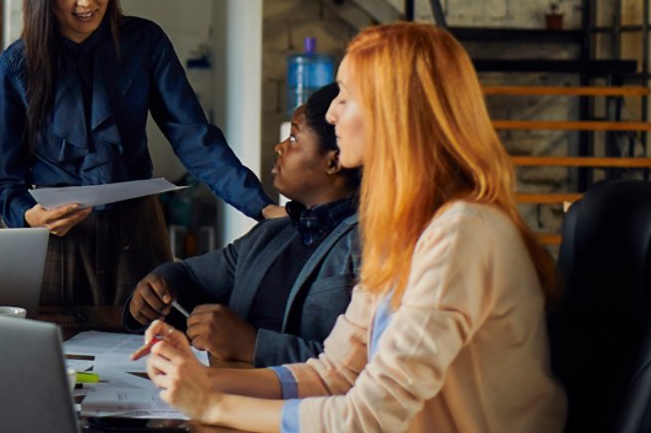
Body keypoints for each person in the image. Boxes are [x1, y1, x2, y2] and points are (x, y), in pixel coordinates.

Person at [138, 22, 567, 433]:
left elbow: (369, 419)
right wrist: (198, 379)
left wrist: (213, 403)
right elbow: (333, 374)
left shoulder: (460, 233)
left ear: (393, 113)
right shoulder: (402, 228)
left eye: (346, 94)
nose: (332, 112)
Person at [0, 0, 281, 306]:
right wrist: (31, 217)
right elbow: (5, 182)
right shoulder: (14, 68)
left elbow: (194, 137)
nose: (87, 1)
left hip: (138, 234)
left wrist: (260, 207)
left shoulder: (145, 43)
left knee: (150, 356)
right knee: (55, 360)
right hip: (54, 243)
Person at [126, 82, 361, 367]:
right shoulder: (273, 233)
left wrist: (252, 345)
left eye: (294, 138)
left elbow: (361, 368)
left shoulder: (366, 246)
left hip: (296, 408)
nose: (280, 147)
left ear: (335, 161)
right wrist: (156, 290)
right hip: (225, 394)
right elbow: (189, 275)